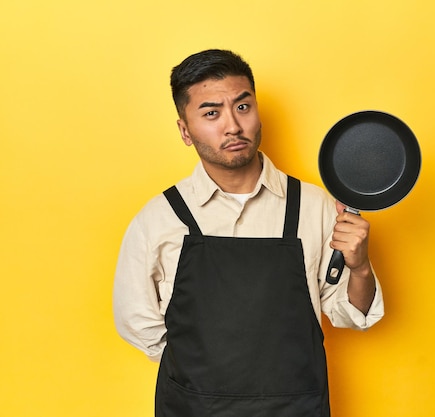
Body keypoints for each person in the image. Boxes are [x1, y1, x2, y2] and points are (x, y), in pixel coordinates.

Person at [113, 49, 384, 417]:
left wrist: (361, 267)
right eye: (211, 113)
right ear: (185, 130)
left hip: (295, 408)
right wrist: (206, 377)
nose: (233, 126)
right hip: (193, 408)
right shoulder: (160, 219)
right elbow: (136, 320)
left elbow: (350, 314)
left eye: (243, 107)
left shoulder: (314, 206)